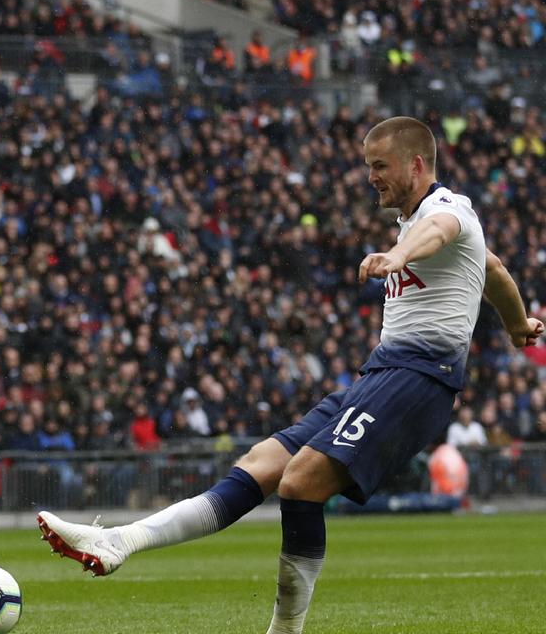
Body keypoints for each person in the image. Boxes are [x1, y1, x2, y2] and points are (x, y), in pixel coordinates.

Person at [37, 116, 543, 634]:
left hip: (420, 379)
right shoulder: (418, 221)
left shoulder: (446, 209)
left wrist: (398, 255)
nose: (371, 176)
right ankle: (120, 541)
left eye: (380, 166)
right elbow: (495, 270)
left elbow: (442, 233)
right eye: (368, 166)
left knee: (301, 483)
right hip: (381, 372)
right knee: (262, 464)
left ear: (417, 165)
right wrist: (517, 324)